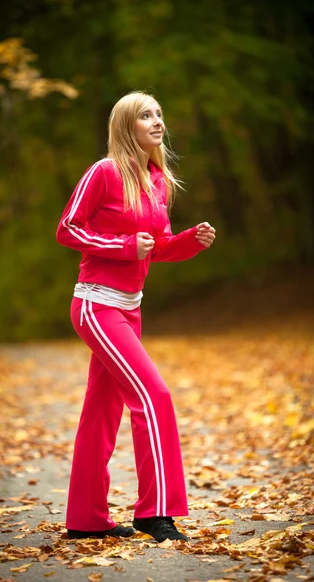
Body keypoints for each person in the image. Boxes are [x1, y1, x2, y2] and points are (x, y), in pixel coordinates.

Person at [56, 91, 216, 543]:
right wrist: (124, 247)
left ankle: (85, 520)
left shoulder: (157, 180)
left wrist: (190, 240)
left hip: (130, 308)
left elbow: (159, 246)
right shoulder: (104, 172)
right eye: (146, 115)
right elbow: (67, 228)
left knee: (101, 413)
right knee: (154, 395)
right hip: (96, 305)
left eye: (160, 114)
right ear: (127, 127)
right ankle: (155, 512)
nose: (157, 121)